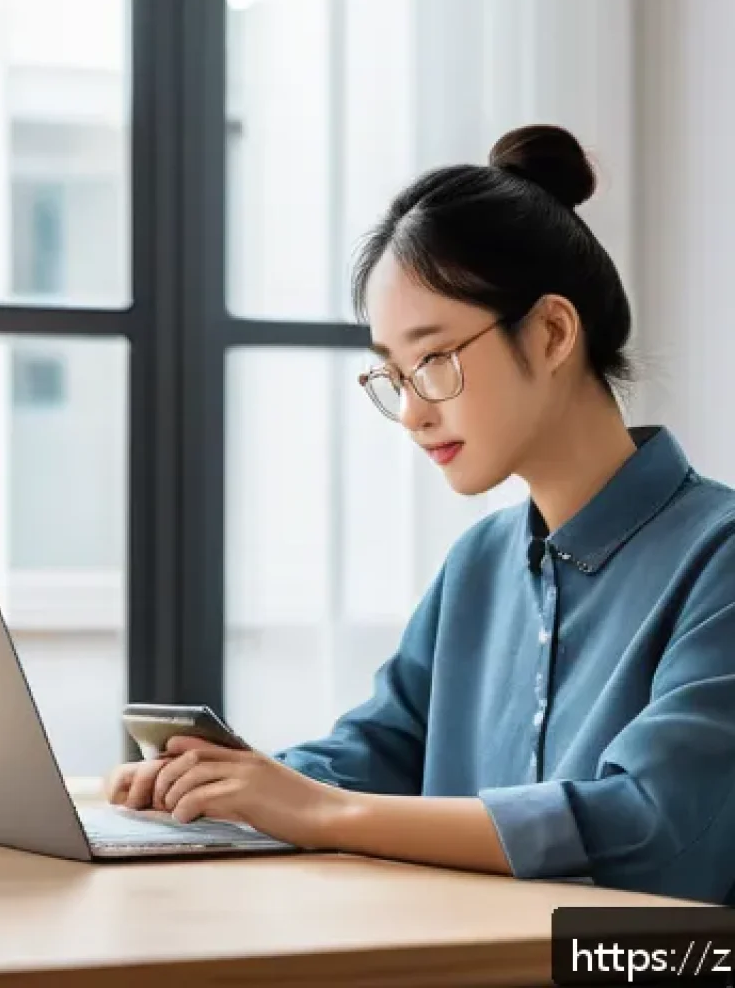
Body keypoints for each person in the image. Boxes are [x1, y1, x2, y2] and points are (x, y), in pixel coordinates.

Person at [105, 124, 735, 905]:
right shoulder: (481, 562)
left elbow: (651, 824)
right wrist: (218, 779)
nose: (411, 412)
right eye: (393, 375)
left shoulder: (719, 558)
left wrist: (323, 812)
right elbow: (373, 753)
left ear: (550, 332)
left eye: (433, 360)